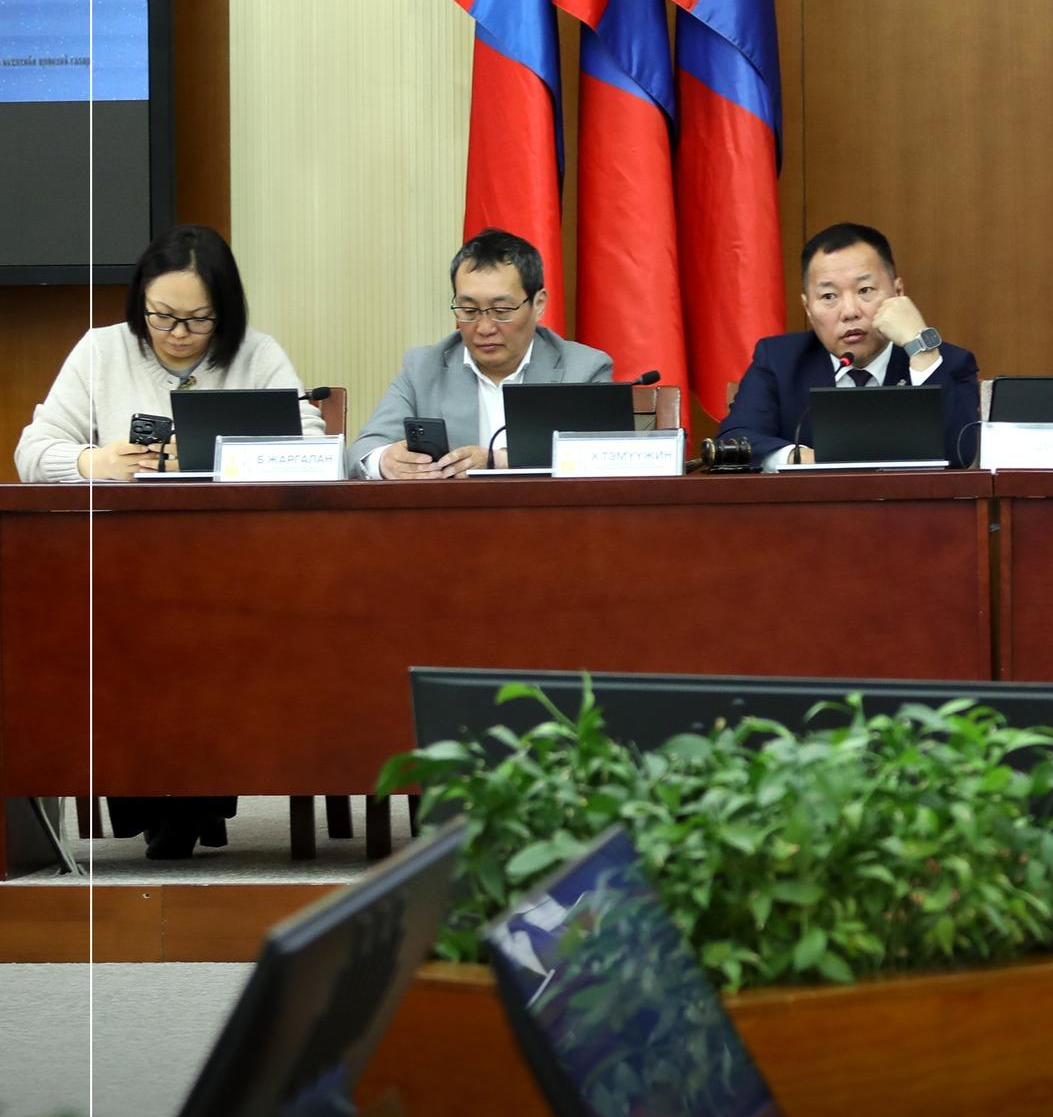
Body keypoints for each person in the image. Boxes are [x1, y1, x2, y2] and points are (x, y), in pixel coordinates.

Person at [14, 223, 324, 860]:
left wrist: (219, 456)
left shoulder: (256, 355)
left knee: (204, 625)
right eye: (162, 315)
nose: (177, 333)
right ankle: (159, 804)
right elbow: (32, 452)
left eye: (197, 319)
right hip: (125, 563)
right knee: (123, 624)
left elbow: (313, 447)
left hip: (233, 564)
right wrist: (93, 461)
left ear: (225, 312)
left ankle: (191, 802)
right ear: (140, 303)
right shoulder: (100, 351)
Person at [351, 228, 612, 478]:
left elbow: (607, 456)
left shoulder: (583, 369)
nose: (485, 328)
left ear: (538, 305)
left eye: (501, 311)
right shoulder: (423, 368)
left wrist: (499, 461)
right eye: (469, 311)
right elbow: (363, 450)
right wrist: (384, 461)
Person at [715, 222, 981, 468]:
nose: (850, 311)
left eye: (865, 290)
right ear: (808, 308)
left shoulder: (947, 363)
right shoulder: (780, 361)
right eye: (829, 296)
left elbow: (961, 453)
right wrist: (805, 459)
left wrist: (922, 351)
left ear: (898, 293)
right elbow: (734, 441)